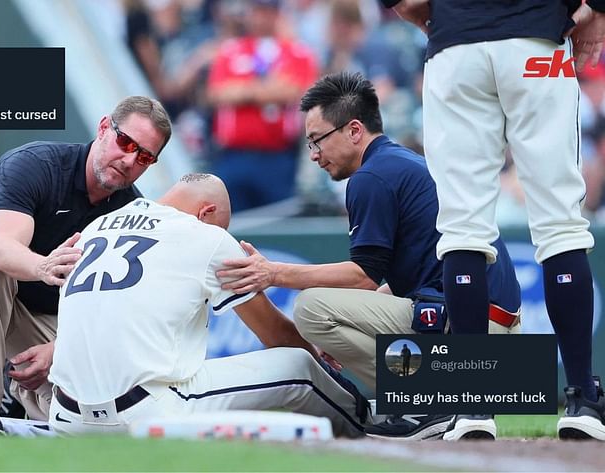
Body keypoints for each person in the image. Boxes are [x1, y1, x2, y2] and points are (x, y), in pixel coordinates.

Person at [216, 72, 521, 441]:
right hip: (501, 347)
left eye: (317, 141)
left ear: (355, 130)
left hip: (476, 336)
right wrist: (340, 331)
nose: (313, 155)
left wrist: (272, 273)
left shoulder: (372, 177)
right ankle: (432, 398)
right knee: (330, 313)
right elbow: (412, 273)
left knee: (312, 309)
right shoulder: (399, 163)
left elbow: (363, 276)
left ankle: (433, 401)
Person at [385, 0, 605, 441]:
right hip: (536, 41)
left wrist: (421, 13)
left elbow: (406, 2)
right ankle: (582, 398)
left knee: (462, 227)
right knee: (560, 223)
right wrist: (595, 13)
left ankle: (472, 404)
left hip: (456, 49)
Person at [46, 174, 371, 438]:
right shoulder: (204, 235)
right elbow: (277, 336)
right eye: (222, 226)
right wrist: (318, 358)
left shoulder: (96, 227)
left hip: (64, 416)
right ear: (206, 213)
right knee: (300, 366)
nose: (222, 234)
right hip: (144, 412)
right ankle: (367, 425)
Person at [0, 96, 172, 436]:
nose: (130, 159)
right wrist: (43, 267)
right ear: (103, 128)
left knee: (87, 413)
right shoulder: (35, 164)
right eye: (125, 142)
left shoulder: (131, 211)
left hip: (40, 317)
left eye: (144, 156)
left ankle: (24, 401)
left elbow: (114, 309)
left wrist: (57, 352)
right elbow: (1, 248)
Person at [205, 0, 318, 211]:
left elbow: (297, 91)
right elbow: (217, 93)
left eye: (267, 11)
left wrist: (243, 91)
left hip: (277, 156)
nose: (260, 17)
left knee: (277, 224)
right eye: (256, 10)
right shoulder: (231, 50)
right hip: (234, 154)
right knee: (228, 220)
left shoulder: (296, 51)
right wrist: (266, 90)